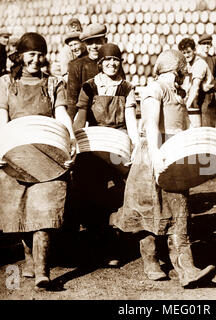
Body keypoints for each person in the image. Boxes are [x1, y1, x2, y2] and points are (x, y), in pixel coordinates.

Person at [112, 50, 215, 287]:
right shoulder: (154, 89)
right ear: (175, 70)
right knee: (149, 212)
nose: (183, 77)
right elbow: (150, 127)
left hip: (175, 156)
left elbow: (185, 127)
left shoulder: (178, 95)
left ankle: (187, 269)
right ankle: (151, 262)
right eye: (182, 71)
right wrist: (157, 158)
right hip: (152, 156)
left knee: (179, 211)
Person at [0, 32, 76, 289]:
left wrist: (71, 138)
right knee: (18, 210)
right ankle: (29, 258)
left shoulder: (53, 83)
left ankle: (42, 270)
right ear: (20, 56)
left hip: (48, 154)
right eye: (31, 54)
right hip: (14, 154)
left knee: (44, 207)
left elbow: (61, 113)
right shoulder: (5, 83)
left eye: (40, 54)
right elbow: (2, 118)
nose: (36, 59)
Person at [72, 43, 139, 266]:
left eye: (116, 60)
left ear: (120, 63)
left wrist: (135, 145)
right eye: (107, 61)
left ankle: (115, 246)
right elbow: (81, 117)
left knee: (121, 190)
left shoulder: (127, 88)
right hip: (95, 142)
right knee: (90, 189)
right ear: (100, 64)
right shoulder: (89, 86)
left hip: (118, 143)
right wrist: (74, 139)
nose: (112, 64)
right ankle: (92, 244)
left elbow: (130, 121)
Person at [67, 23, 107, 121]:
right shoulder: (76, 66)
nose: (94, 46)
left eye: (98, 42)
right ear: (85, 45)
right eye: (89, 43)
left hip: (109, 120)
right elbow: (72, 101)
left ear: (105, 41)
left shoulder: (113, 64)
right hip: (86, 120)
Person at [178, 37, 216, 127]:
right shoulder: (188, 63)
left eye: (189, 52)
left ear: (194, 50)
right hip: (198, 95)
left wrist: (186, 106)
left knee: (206, 126)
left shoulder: (199, 63)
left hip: (207, 96)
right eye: (184, 53)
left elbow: (195, 86)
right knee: (195, 125)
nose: (186, 55)